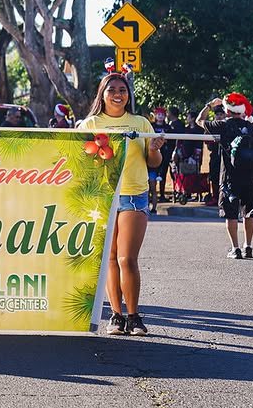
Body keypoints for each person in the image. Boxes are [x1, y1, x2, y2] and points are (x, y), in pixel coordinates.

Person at [78, 72, 165, 337]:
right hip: (102, 196)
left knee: (128, 259)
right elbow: (79, 160)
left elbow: (154, 162)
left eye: (123, 89)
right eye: (112, 89)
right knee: (110, 258)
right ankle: (116, 316)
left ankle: (134, 316)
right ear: (102, 95)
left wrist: (154, 148)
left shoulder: (140, 123)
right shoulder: (90, 123)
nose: (118, 94)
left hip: (133, 195)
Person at [198, 93, 253, 259]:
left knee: (230, 213)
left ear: (227, 110)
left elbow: (199, 121)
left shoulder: (223, 125)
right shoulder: (250, 127)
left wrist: (210, 105)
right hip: (249, 176)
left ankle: (235, 248)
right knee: (250, 212)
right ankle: (248, 246)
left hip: (229, 177)